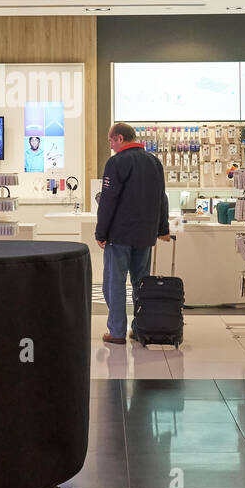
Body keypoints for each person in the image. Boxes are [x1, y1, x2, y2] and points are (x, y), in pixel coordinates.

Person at [95, 122, 171, 345]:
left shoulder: (116, 162)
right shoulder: (154, 162)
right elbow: (162, 198)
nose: (110, 145)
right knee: (141, 284)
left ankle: (117, 332)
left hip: (120, 234)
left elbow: (108, 200)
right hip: (145, 235)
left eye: (110, 141)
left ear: (119, 138)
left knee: (114, 283)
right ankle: (140, 328)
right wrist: (162, 229)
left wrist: (101, 232)